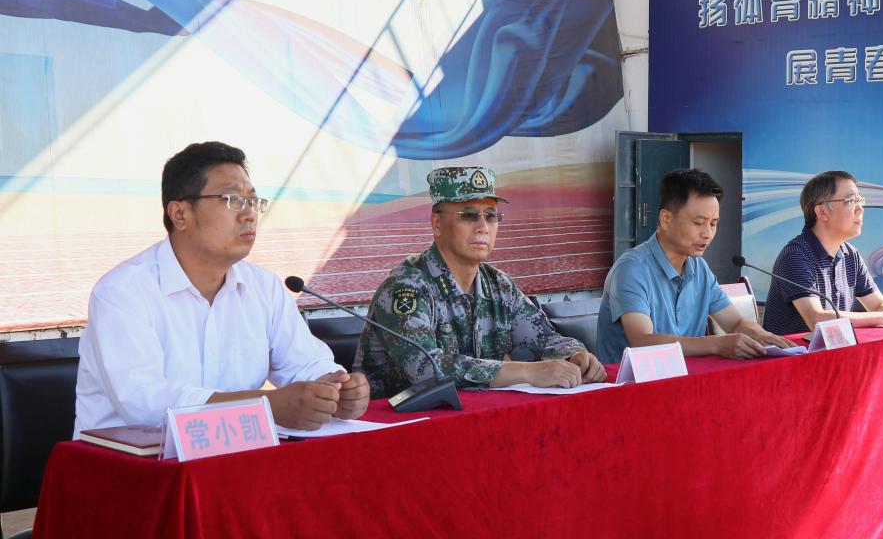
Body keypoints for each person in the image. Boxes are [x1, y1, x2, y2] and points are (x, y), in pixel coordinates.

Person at [74, 142, 369, 436]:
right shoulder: (122, 292)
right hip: (130, 459)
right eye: (233, 200)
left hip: (231, 453)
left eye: (253, 201)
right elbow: (145, 403)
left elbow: (305, 364)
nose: (249, 214)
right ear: (180, 214)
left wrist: (335, 390)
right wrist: (266, 405)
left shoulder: (264, 287)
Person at [353, 167, 606, 398]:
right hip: (397, 423)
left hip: (470, 416)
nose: (483, 227)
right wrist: (526, 371)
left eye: (491, 215)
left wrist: (574, 355)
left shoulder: (498, 285)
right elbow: (428, 370)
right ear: (437, 224)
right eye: (469, 215)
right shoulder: (406, 287)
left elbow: (542, 339)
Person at [595, 168, 795, 364]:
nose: (707, 234)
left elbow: (735, 323)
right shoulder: (632, 269)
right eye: (699, 223)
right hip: (633, 381)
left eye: (713, 223)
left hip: (685, 377)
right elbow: (642, 341)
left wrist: (762, 335)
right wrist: (716, 344)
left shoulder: (700, 268)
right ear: (666, 219)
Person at [761, 170, 883, 336]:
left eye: (860, 200)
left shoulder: (850, 254)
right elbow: (816, 319)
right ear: (822, 212)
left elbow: (878, 305)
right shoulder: (795, 256)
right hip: (797, 351)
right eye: (851, 201)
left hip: (836, 349)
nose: (860, 209)